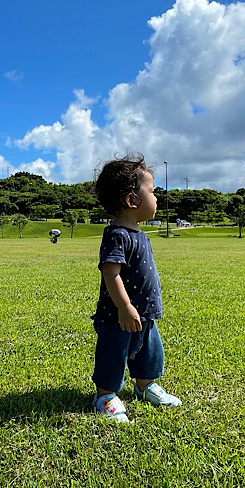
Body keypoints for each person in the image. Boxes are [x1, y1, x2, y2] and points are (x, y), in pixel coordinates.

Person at [90, 154, 182, 422]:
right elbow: (111, 272)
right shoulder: (117, 234)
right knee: (113, 354)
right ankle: (105, 395)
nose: (156, 199)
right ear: (132, 200)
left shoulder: (139, 233)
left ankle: (146, 385)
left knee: (149, 353)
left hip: (145, 312)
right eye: (152, 192)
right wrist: (125, 307)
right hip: (118, 315)